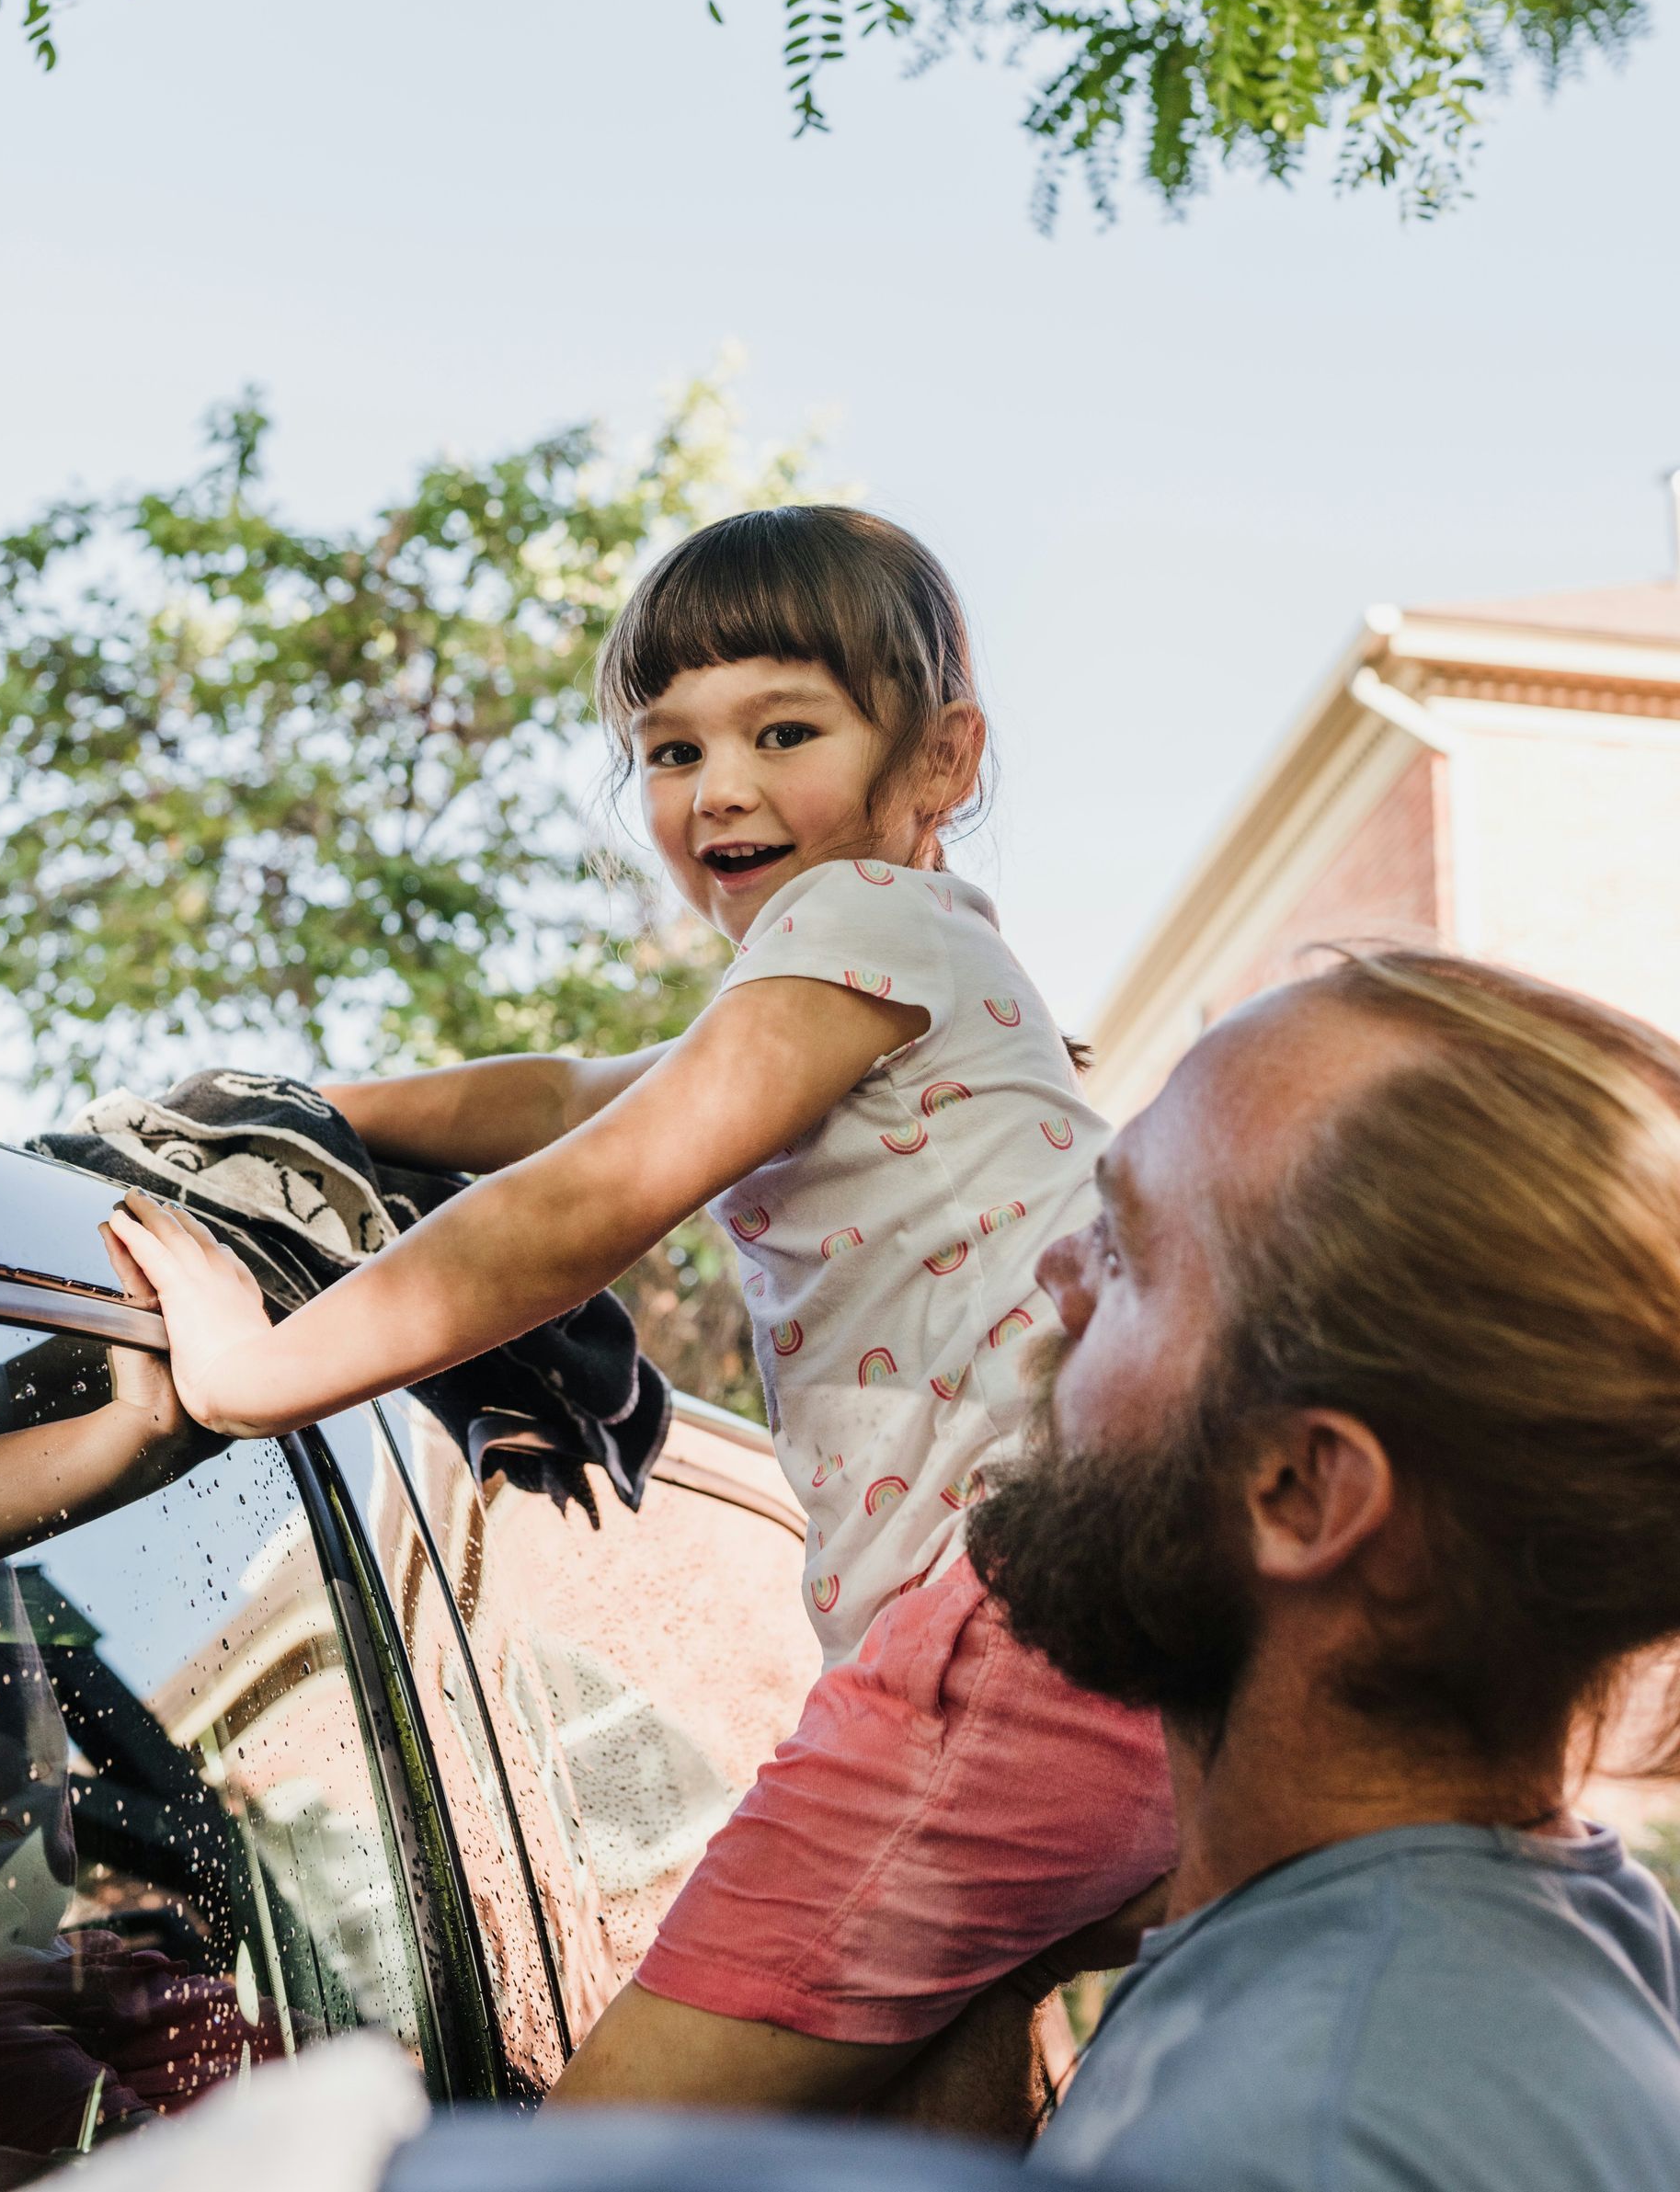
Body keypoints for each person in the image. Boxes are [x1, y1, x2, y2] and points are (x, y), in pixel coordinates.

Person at [106, 508, 1173, 2126]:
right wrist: (308, 1103)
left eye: (782, 730)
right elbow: (567, 1094)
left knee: (607, 2153)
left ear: (943, 760)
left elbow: (587, 1194)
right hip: (1108, 1625)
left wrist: (259, 1375)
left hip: (1007, 1626)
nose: (717, 787)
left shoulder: (859, 924)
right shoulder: (913, 970)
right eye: (670, 748)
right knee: (937, 2049)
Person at [960, 947, 1680, 2189]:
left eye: (1127, 1253)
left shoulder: (1296, 2133)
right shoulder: (1564, 1943)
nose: (1058, 1274)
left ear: (1302, 1493)